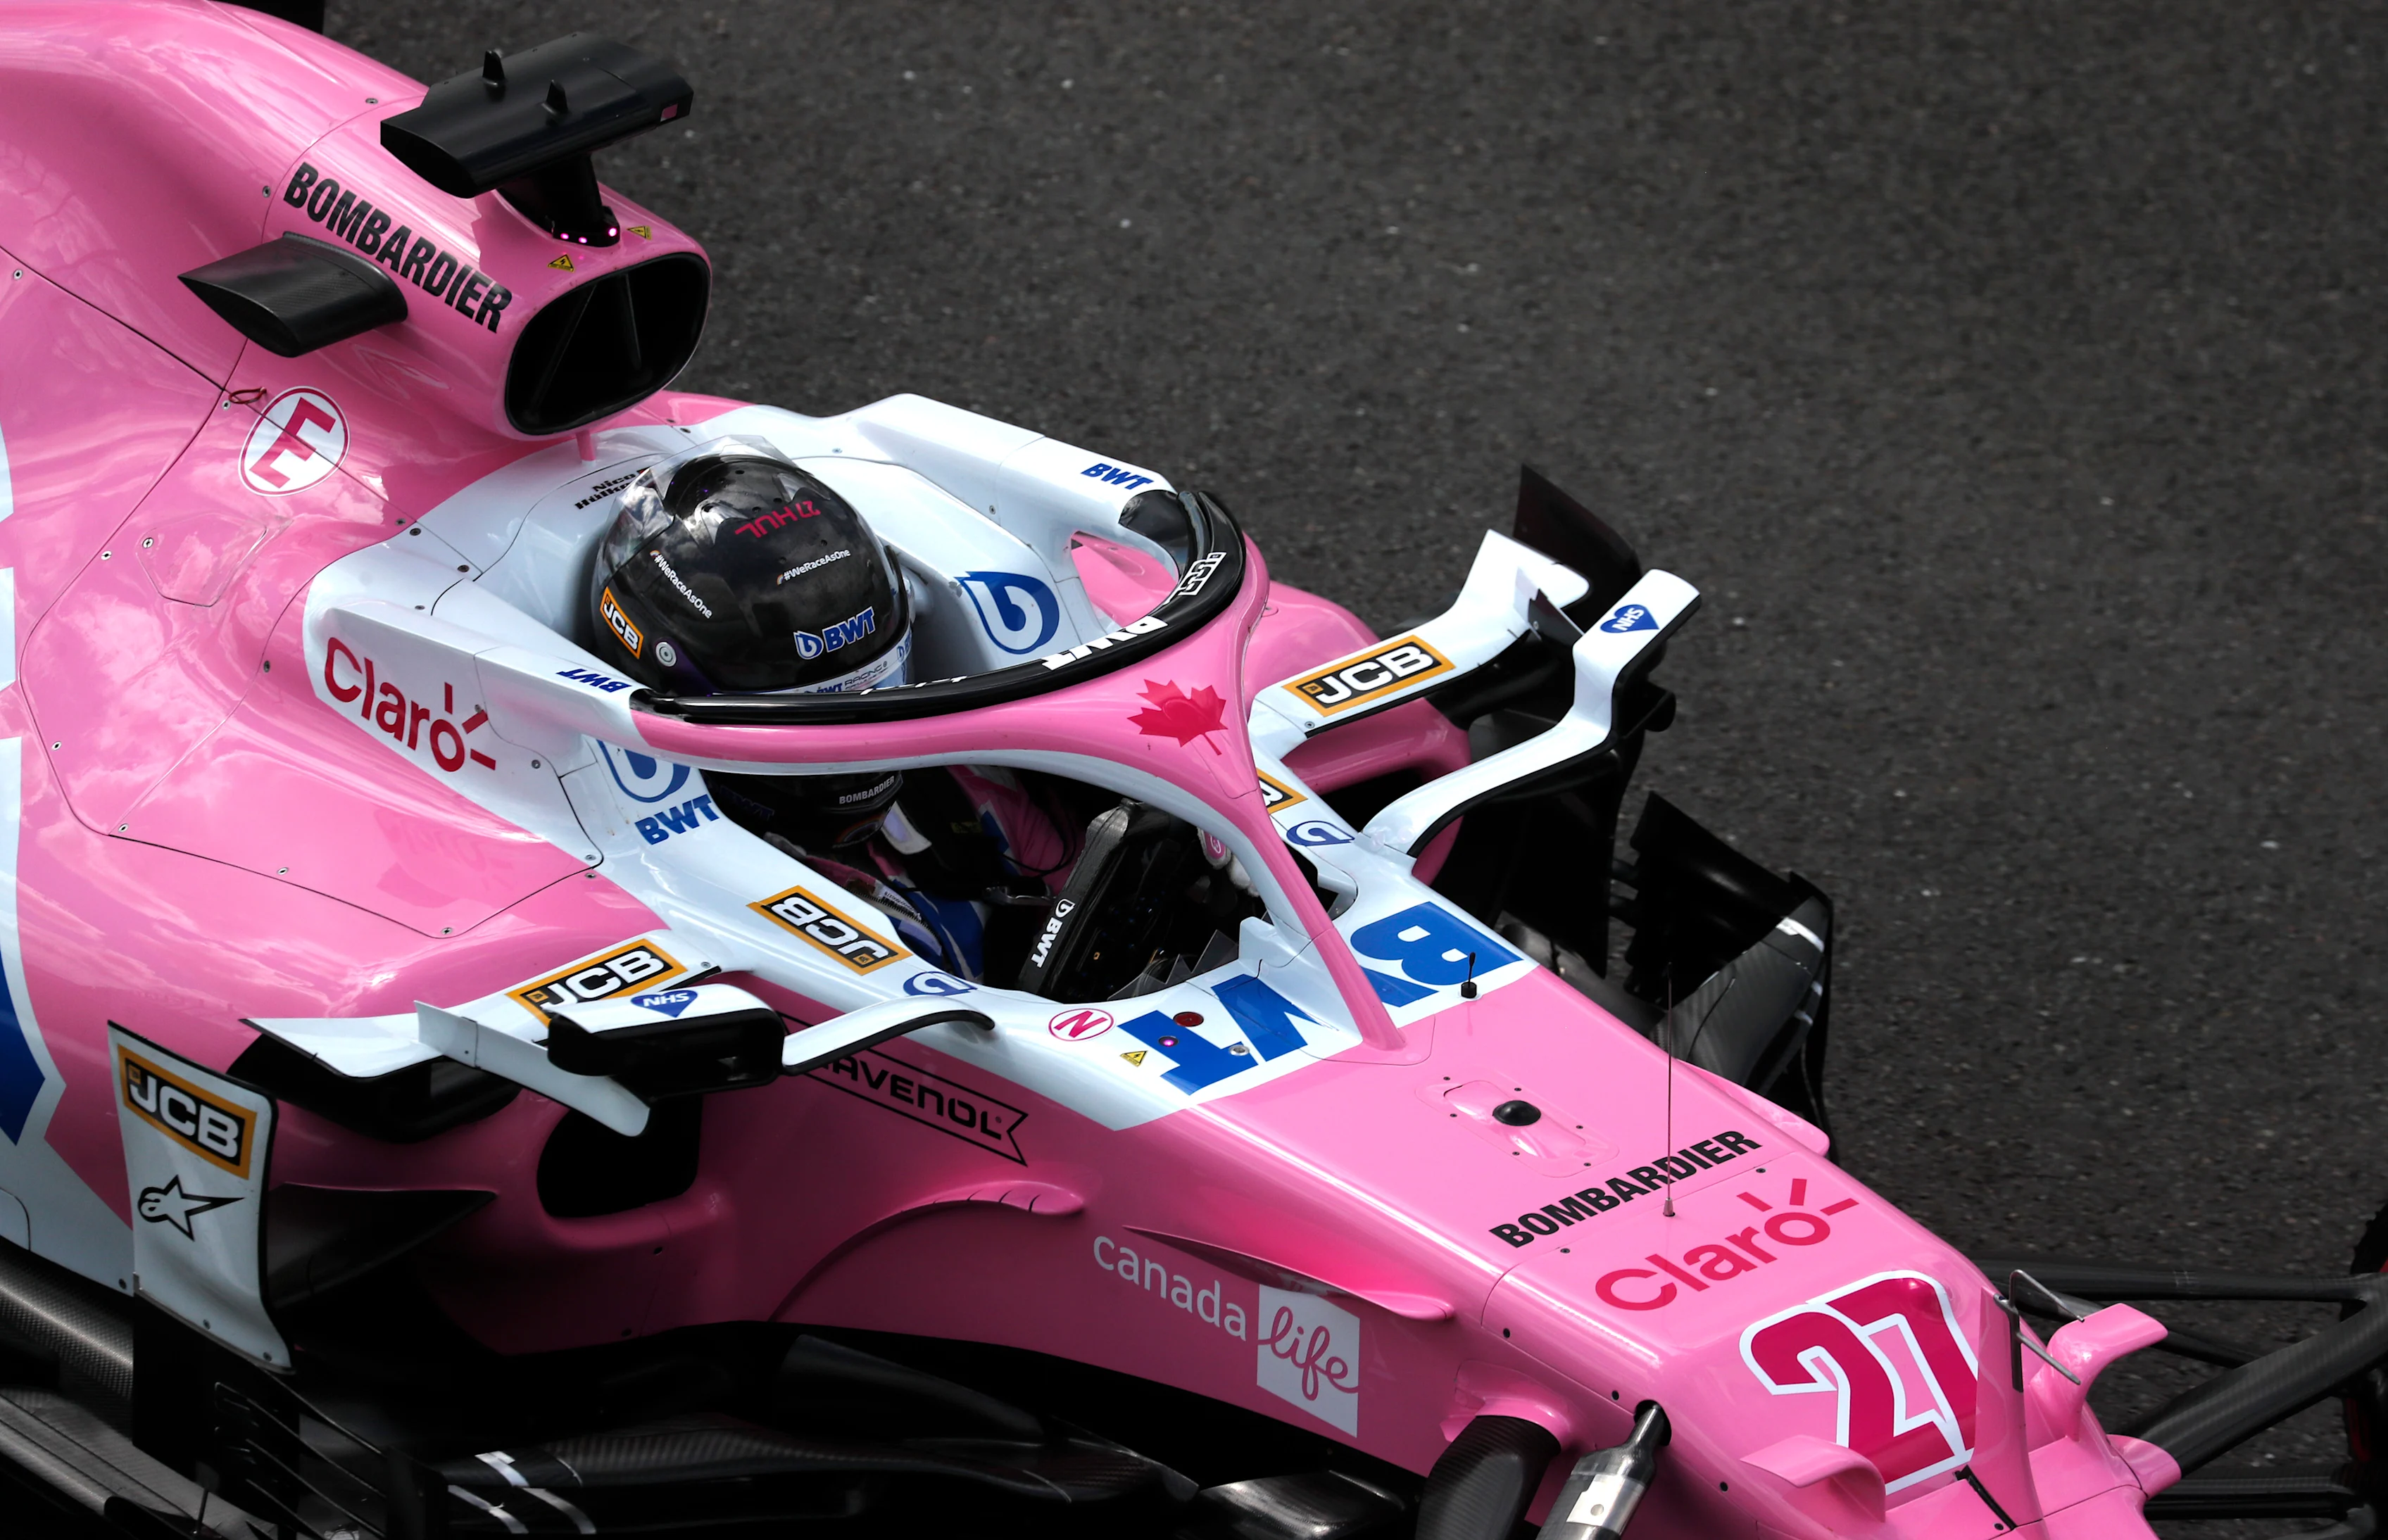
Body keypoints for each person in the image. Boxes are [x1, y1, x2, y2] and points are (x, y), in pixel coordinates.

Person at [589, 440, 1076, 979]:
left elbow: (1087, 879)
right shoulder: (689, 897)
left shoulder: (964, 793)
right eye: (815, 711)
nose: (858, 736)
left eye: (875, 686)